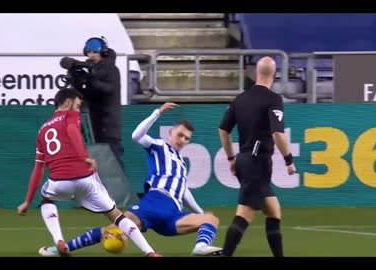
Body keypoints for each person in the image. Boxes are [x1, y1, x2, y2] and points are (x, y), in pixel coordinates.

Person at [37, 102, 223, 257]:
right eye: (180, 135)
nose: (182, 140)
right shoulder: (159, 145)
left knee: (210, 220)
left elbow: (183, 191)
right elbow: (137, 135)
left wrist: (200, 212)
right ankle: (62, 248)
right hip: (155, 203)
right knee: (113, 229)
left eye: (187, 138)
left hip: (173, 212)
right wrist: (157, 112)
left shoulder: (181, 164)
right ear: (171, 133)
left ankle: (200, 248)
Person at [16, 88, 161, 257]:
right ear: (69, 103)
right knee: (117, 217)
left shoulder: (41, 131)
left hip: (59, 182)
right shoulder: (71, 115)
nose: (78, 109)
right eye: (77, 105)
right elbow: (72, 130)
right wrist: (84, 157)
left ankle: (59, 240)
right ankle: (150, 252)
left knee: (46, 198)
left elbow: (38, 169)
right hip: (85, 178)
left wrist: (26, 201)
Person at [217, 56, 296, 257]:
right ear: (274, 75)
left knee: (273, 210)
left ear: (255, 74)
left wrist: (231, 158)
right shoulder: (273, 99)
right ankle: (226, 254)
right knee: (245, 213)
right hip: (258, 162)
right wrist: (288, 159)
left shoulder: (240, 98)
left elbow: (223, 130)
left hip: (244, 159)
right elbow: (278, 133)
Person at [80, 37, 124, 167]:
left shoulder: (112, 70)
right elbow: (89, 94)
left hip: (109, 127)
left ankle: (122, 188)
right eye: (89, 52)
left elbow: (109, 89)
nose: (91, 55)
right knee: (102, 167)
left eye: (95, 52)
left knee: (113, 166)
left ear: (103, 53)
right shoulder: (94, 70)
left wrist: (90, 80)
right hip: (96, 125)